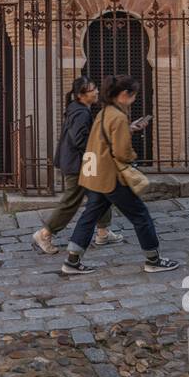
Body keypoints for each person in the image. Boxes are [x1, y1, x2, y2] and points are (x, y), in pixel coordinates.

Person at [61, 74, 180, 275]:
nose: (134, 99)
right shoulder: (118, 117)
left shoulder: (104, 113)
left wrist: (128, 130)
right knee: (140, 215)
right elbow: (122, 152)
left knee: (89, 216)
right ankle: (153, 259)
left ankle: (72, 260)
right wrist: (132, 155)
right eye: (133, 95)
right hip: (112, 178)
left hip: (97, 176)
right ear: (124, 94)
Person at [32, 76, 122, 254]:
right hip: (78, 165)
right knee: (71, 202)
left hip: (83, 162)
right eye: (92, 90)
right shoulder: (81, 113)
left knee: (102, 194)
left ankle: (103, 233)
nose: (97, 92)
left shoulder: (78, 108)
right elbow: (80, 140)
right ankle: (45, 234)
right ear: (81, 95)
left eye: (96, 88)